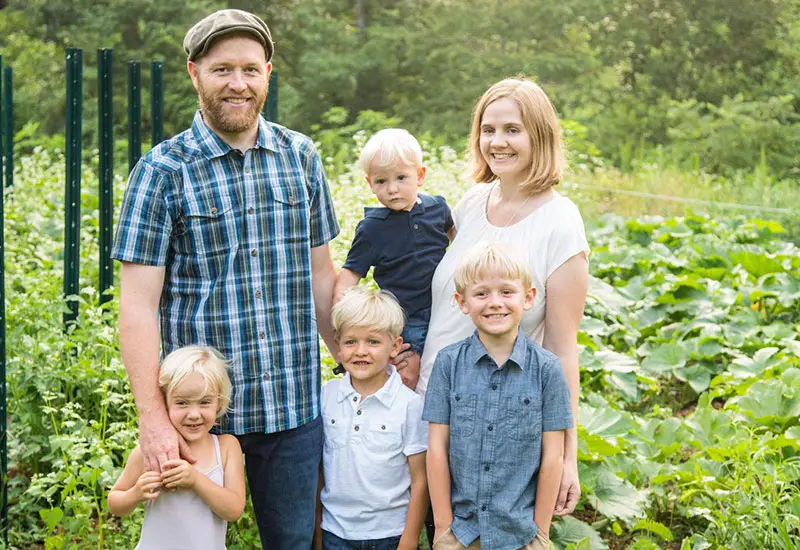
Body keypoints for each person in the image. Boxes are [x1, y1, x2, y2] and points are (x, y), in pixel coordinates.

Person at [111, 9, 340, 548]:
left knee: (295, 541)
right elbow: (137, 305)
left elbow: (323, 279)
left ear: (267, 74)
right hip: (201, 418)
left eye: (250, 70)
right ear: (195, 73)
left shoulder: (300, 157)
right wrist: (155, 420)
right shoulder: (162, 171)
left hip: (292, 406)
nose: (238, 84)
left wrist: (366, 364)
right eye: (222, 70)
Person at [415, 77, 589, 515]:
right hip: (430, 400)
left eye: (512, 130)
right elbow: (448, 304)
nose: (497, 142)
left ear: (540, 135)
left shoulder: (561, 223)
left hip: (499, 421)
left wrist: (567, 456)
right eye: (488, 130)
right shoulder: (472, 202)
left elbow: (563, 350)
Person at [423, 242, 573, 549]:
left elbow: (553, 456)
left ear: (528, 298)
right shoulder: (448, 363)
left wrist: (540, 531)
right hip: (462, 533)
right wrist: (442, 526)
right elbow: (437, 447)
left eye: (506, 292)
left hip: (521, 534)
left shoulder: (547, 369)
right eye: (481, 293)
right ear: (462, 302)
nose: (495, 303)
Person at [334, 129, 453, 390]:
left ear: (420, 176)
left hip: (446, 306)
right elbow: (349, 276)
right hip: (404, 315)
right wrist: (346, 317)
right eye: (381, 181)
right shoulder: (372, 228)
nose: (392, 189)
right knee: (407, 374)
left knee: (447, 367)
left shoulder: (437, 209)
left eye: (401, 178)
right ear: (369, 183)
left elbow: (457, 244)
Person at [316, 287, 429, 550]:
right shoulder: (327, 396)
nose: (361, 351)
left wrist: (409, 539)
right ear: (338, 345)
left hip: (389, 534)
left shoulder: (409, 405)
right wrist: (318, 534)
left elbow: (420, 479)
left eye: (373, 342)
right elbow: (321, 469)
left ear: (395, 346)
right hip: (336, 531)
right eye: (351, 342)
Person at [108, 346, 246, 549]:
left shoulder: (226, 447)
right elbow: (114, 502)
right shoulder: (151, 451)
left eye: (204, 402)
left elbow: (234, 510)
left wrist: (196, 480)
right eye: (182, 403)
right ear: (164, 403)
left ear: (219, 403)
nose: (193, 414)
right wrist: (136, 493)